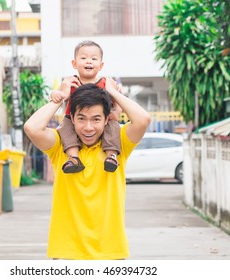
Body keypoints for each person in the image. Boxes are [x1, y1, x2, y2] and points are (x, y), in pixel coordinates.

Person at [24, 77, 151, 260]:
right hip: (67, 252)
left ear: (107, 119)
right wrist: (60, 97)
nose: (88, 127)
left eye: (96, 119)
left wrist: (113, 92)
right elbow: (32, 128)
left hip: (110, 251)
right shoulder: (61, 147)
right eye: (81, 119)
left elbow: (143, 120)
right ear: (72, 119)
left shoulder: (117, 145)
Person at [50, 40, 122, 173]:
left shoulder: (106, 83)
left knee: (113, 126)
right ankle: (73, 158)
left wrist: (116, 112)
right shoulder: (70, 81)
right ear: (74, 63)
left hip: (101, 119)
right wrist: (55, 93)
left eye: (94, 59)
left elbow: (118, 99)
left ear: (100, 65)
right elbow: (59, 93)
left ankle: (111, 155)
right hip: (72, 119)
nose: (89, 61)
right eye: (83, 58)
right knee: (65, 129)